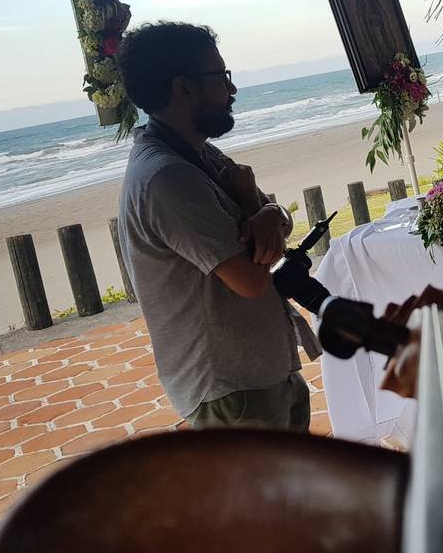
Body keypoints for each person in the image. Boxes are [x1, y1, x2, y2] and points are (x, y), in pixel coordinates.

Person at [115, 22, 318, 431]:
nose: (232, 90)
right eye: (221, 77)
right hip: (232, 393)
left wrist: (266, 211)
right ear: (183, 88)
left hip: (259, 374)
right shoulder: (167, 177)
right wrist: (251, 203)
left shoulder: (198, 153)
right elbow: (249, 278)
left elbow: (281, 221)